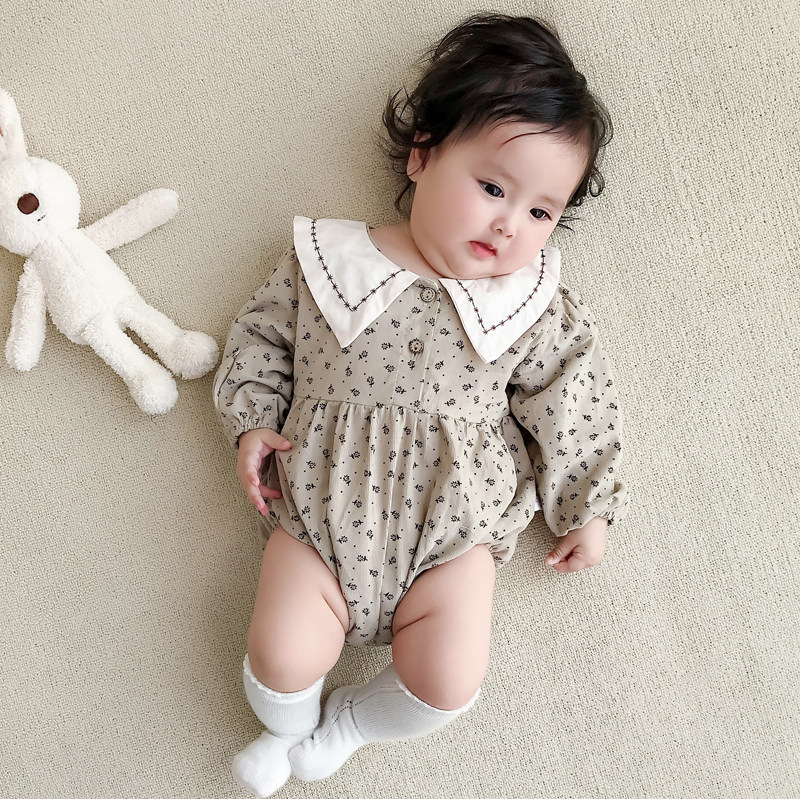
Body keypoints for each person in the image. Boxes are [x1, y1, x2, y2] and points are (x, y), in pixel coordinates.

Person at [212, 12, 629, 797]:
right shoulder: (330, 264)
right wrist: (253, 420)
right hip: (319, 512)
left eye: (540, 212)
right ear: (422, 155)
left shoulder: (531, 307)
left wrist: (588, 506)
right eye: (492, 187)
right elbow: (262, 337)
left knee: (447, 679)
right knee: (280, 653)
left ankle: (348, 725)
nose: (509, 223)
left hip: (452, 529)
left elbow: (572, 399)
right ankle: (287, 726)